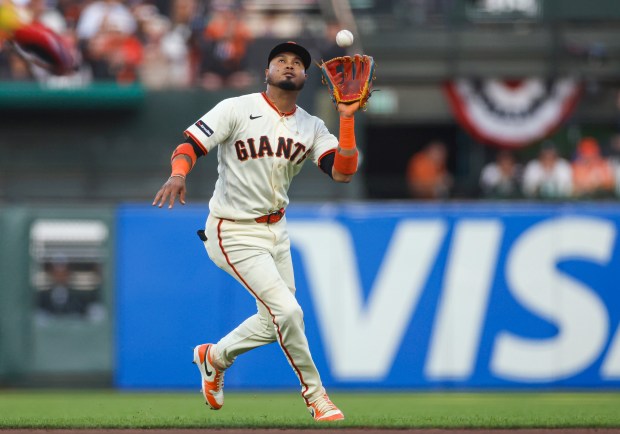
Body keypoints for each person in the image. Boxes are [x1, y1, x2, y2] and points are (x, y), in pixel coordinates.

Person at [152, 41, 361, 422]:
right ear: (266, 72)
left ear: (305, 76)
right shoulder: (236, 108)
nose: (288, 65)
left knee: (272, 321)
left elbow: (343, 171)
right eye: (280, 60)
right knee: (289, 312)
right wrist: (178, 173)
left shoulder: (312, 126)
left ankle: (213, 357)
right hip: (232, 230)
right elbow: (191, 144)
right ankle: (317, 397)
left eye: (297, 62)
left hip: (276, 230)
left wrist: (346, 118)